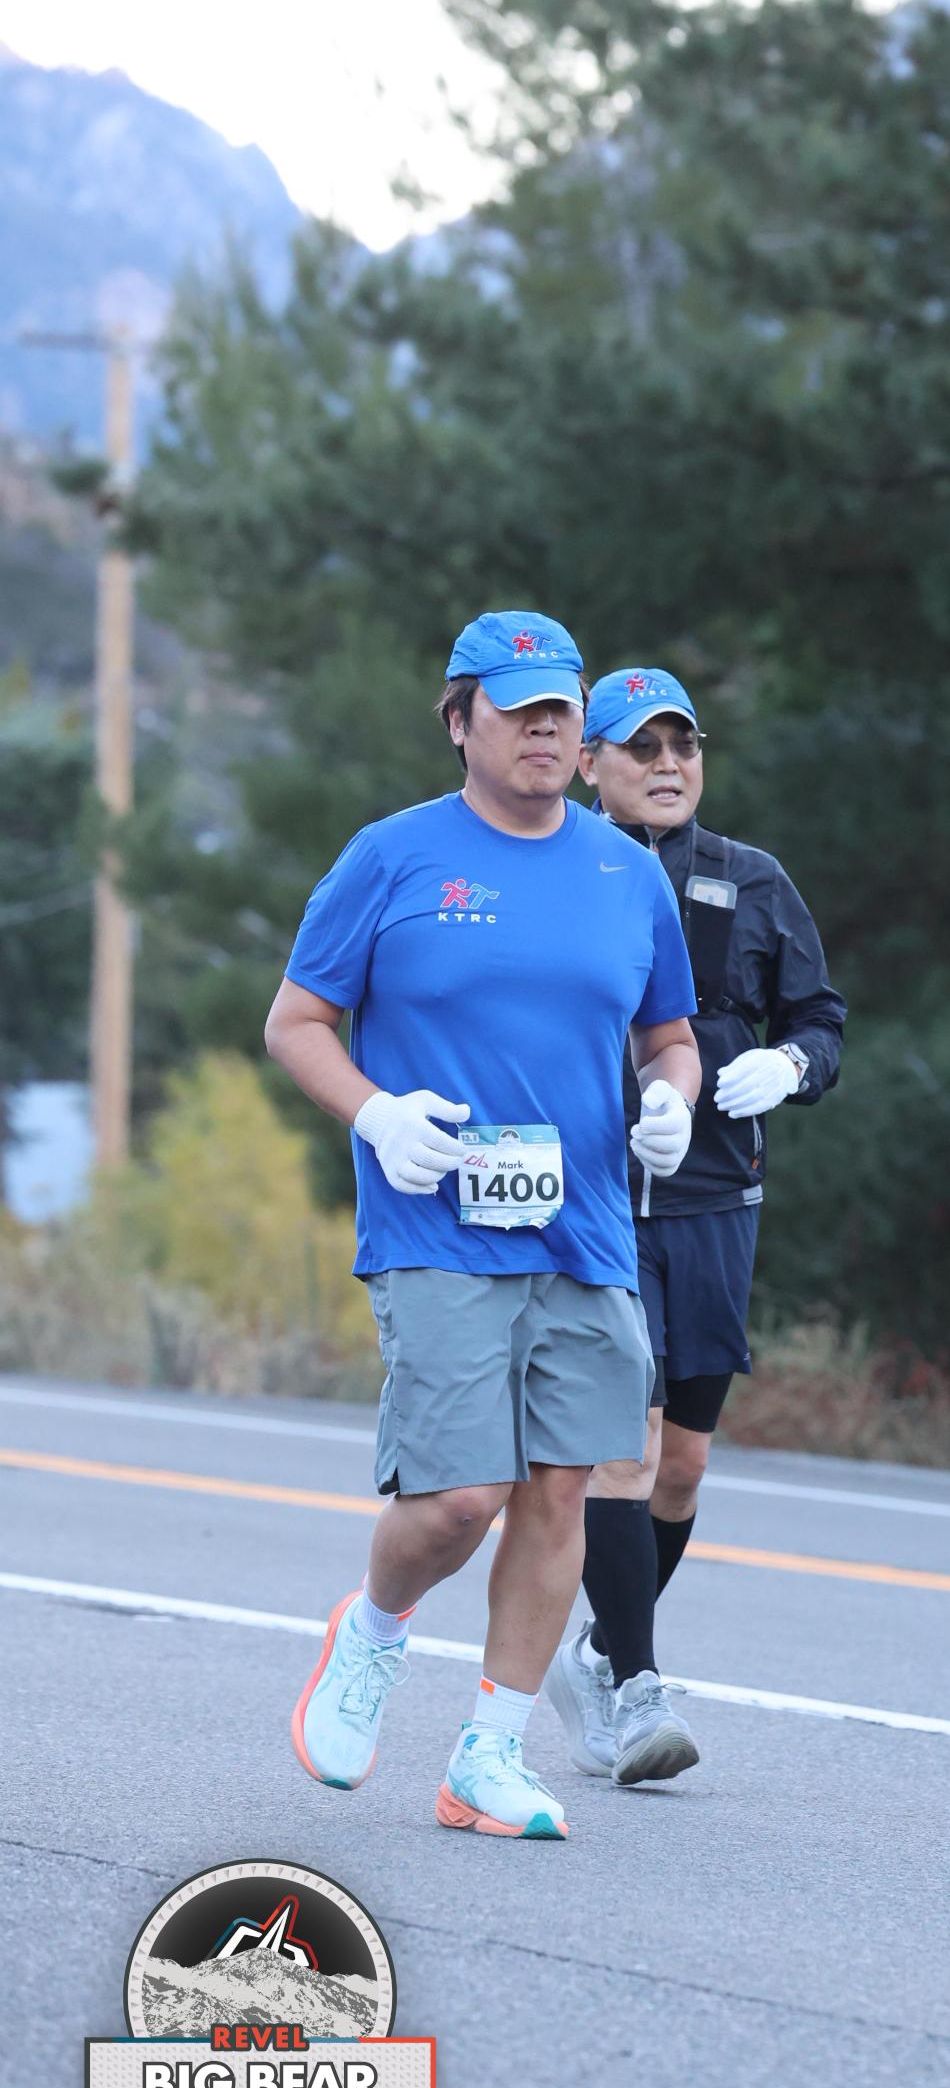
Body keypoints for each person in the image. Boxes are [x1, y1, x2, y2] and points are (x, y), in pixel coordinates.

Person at [266, 610, 700, 1840]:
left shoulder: (626, 874)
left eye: (560, 712)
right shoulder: (393, 857)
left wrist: (671, 1101)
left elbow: (669, 1038)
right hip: (435, 1221)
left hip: (587, 1232)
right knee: (462, 1497)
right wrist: (375, 1112)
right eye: (518, 713)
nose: (544, 732)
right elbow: (296, 1023)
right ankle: (372, 1632)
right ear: (460, 721)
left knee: (562, 1493)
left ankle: (488, 1757)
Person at [543, 666, 845, 1785]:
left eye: (684, 747)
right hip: (596, 1200)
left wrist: (791, 1065)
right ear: (590, 763)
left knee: (683, 1467)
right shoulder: (557, 868)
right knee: (622, 1451)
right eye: (642, 748)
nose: (668, 766)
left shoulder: (751, 878)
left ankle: (598, 1650)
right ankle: (636, 1688)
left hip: (717, 1197)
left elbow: (821, 1018)